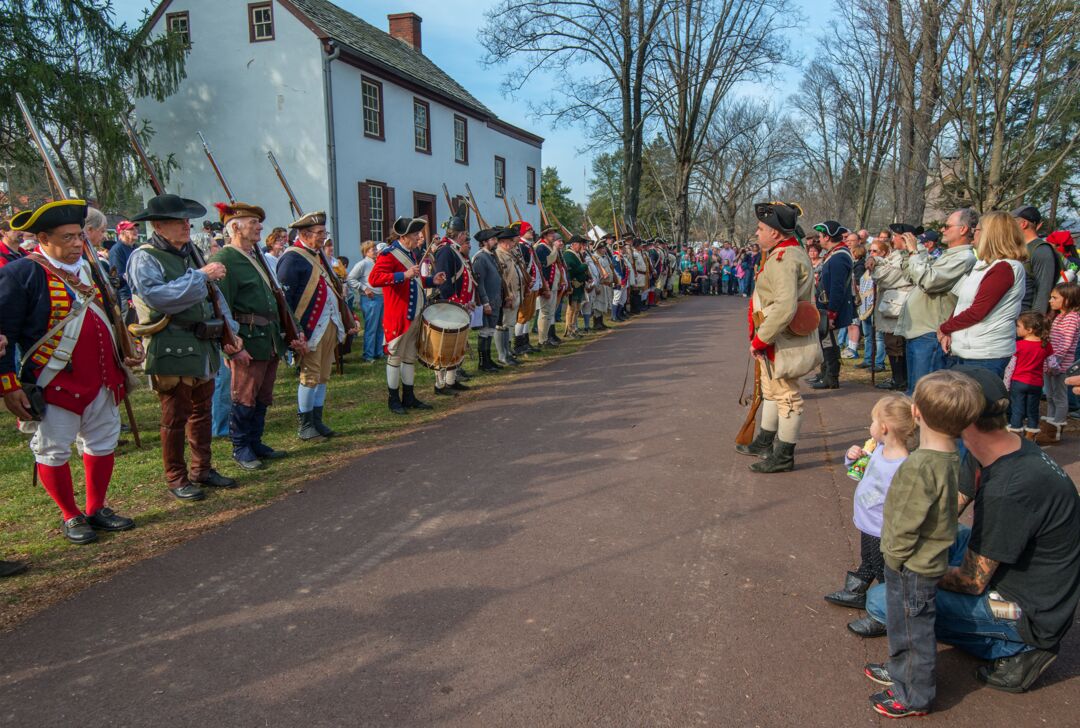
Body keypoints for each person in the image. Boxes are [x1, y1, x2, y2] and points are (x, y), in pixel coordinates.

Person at [860, 366, 1080, 695]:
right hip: (1010, 562)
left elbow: (972, 581)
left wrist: (912, 575)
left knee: (885, 601)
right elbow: (950, 509)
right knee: (926, 552)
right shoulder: (993, 448)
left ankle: (1019, 649)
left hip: (1026, 608)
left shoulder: (1012, 487)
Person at [0, 199, 138, 543]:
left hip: (103, 377)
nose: (77, 244)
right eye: (67, 237)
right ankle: (70, 514)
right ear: (43, 238)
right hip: (55, 379)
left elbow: (111, 315)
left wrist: (124, 349)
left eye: (79, 236)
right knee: (53, 448)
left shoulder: (93, 269)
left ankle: (96, 508)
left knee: (103, 443)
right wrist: (8, 384)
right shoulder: (22, 273)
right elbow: (5, 332)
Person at [862, 370, 983, 719]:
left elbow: (905, 521)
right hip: (927, 559)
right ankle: (901, 672)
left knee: (912, 629)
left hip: (911, 564)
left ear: (917, 413)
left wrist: (893, 555)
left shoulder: (919, 466)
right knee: (906, 623)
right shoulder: (950, 457)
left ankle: (914, 695)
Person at [127, 194, 241, 501]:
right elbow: (159, 297)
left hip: (203, 344)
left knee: (201, 412)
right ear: (160, 226)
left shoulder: (191, 253)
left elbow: (215, 296)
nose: (186, 227)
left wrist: (231, 330)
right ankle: (176, 477)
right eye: (178, 222)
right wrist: (200, 276)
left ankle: (202, 469)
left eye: (186, 222)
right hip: (171, 345)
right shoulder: (144, 257)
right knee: (175, 416)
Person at [210, 201, 305, 469]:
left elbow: (277, 299)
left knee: (263, 396)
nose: (259, 227)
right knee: (244, 395)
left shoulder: (256, 258)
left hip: (269, 338)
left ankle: (255, 441)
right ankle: (241, 447)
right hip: (247, 340)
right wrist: (230, 346)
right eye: (253, 223)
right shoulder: (224, 260)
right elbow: (221, 307)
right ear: (235, 227)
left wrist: (293, 330)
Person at [736, 201, 822, 473]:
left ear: (775, 232)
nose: (757, 233)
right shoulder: (783, 254)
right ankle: (765, 441)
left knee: (786, 397)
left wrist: (761, 339)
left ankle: (784, 455)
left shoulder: (785, 258)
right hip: (775, 336)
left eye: (761, 228)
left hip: (781, 337)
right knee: (773, 392)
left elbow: (785, 306)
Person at [823, 394, 913, 609]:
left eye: (873, 421)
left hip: (881, 527)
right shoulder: (879, 449)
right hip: (867, 521)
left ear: (884, 428)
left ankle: (886, 608)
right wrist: (852, 457)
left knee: (883, 568)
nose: (869, 426)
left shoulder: (902, 465)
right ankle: (856, 590)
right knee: (869, 558)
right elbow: (860, 470)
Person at [277, 211, 357, 439]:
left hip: (328, 324)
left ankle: (317, 420)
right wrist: (294, 333)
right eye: (319, 233)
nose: (323, 237)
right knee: (310, 376)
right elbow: (286, 301)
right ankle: (305, 424)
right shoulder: (292, 259)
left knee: (323, 375)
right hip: (310, 327)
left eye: (324, 232)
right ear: (304, 233)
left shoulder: (318, 256)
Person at [369, 216, 446, 414]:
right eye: (415, 234)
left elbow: (415, 280)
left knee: (409, 357)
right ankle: (393, 399)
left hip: (414, 314)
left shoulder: (411, 253)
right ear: (403, 237)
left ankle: (409, 396)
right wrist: (402, 275)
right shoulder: (388, 254)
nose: (419, 236)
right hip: (399, 315)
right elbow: (374, 279)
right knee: (395, 357)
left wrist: (431, 281)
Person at [937, 210, 1027, 377]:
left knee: (980, 402)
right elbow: (963, 303)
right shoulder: (984, 265)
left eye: (976, 230)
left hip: (985, 353)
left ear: (990, 234)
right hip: (967, 349)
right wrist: (948, 330)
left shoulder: (1005, 268)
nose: (973, 234)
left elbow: (978, 311)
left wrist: (944, 328)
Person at [896, 210, 977, 392]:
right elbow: (913, 276)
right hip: (920, 332)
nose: (942, 230)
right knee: (915, 392)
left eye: (947, 226)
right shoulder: (948, 255)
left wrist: (914, 251)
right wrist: (907, 252)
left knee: (926, 395)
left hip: (931, 333)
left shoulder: (964, 258)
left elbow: (929, 281)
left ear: (963, 229)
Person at [432, 208, 475, 396]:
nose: (466, 237)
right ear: (460, 234)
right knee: (444, 345)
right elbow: (444, 281)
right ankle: (440, 384)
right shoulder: (445, 252)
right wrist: (456, 302)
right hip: (448, 305)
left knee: (456, 345)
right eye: (464, 234)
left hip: (457, 305)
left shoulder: (454, 251)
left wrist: (467, 301)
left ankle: (451, 380)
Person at [810, 221, 854, 390]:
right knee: (825, 341)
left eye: (820, 236)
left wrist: (831, 313)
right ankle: (824, 373)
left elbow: (837, 288)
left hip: (831, 308)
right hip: (826, 306)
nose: (819, 240)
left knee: (830, 342)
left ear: (827, 237)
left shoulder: (839, 256)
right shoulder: (834, 254)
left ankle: (831, 377)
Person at [1037, 283, 1080, 444]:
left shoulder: (1072, 318)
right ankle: (1049, 425)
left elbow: (1065, 344)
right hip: (1051, 363)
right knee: (1050, 396)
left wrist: (1054, 362)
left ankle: (1055, 430)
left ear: (1068, 300)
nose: (1050, 301)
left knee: (1059, 397)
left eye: (1054, 298)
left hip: (1060, 366)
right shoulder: (1058, 317)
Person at [1007, 311, 1054, 440]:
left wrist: (1006, 384)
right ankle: (1031, 436)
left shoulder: (1018, 345)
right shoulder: (1046, 345)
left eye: (1018, 326)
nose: (1016, 329)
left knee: (1017, 409)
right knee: (1033, 410)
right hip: (1036, 383)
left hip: (1018, 382)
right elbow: (1053, 364)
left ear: (1029, 330)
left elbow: (1010, 367)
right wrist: (1052, 371)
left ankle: (1015, 436)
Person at [1013, 205, 1060, 314]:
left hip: (1027, 318)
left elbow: (1044, 290)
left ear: (1023, 224)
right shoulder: (1019, 247)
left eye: (1011, 223)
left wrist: (1035, 322)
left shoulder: (1041, 250)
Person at [470, 227, 502, 372]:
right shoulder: (480, 258)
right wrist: (485, 302)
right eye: (493, 239)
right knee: (484, 332)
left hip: (494, 300)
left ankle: (489, 360)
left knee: (490, 331)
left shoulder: (491, 255)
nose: (496, 241)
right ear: (484, 242)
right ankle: (483, 363)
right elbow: (479, 282)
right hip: (487, 302)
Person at [346, 241, 383, 362]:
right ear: (366, 251)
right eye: (372, 249)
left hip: (381, 297)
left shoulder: (377, 263)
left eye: (375, 248)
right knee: (371, 327)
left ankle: (378, 352)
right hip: (370, 298)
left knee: (380, 327)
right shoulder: (362, 264)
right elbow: (350, 278)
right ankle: (368, 354)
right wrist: (364, 288)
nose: (375, 250)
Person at [534, 227, 563, 345]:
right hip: (547, 284)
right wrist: (555, 250)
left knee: (550, 313)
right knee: (545, 312)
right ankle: (542, 340)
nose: (553, 235)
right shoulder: (541, 247)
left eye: (553, 233)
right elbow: (546, 263)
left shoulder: (549, 247)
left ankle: (546, 338)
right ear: (544, 235)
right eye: (550, 233)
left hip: (553, 284)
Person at [108, 220, 140, 319]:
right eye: (131, 229)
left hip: (138, 294)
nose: (135, 231)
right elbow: (117, 277)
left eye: (135, 228)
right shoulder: (117, 249)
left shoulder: (135, 248)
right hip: (125, 295)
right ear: (121, 233)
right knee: (128, 328)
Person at [562, 234, 591, 339]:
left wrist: (587, 277)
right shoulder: (568, 255)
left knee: (577, 308)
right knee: (572, 309)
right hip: (574, 285)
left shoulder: (577, 254)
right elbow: (572, 270)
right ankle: (569, 330)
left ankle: (574, 329)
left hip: (580, 285)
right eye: (580, 244)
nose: (582, 246)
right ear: (573, 244)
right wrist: (584, 266)